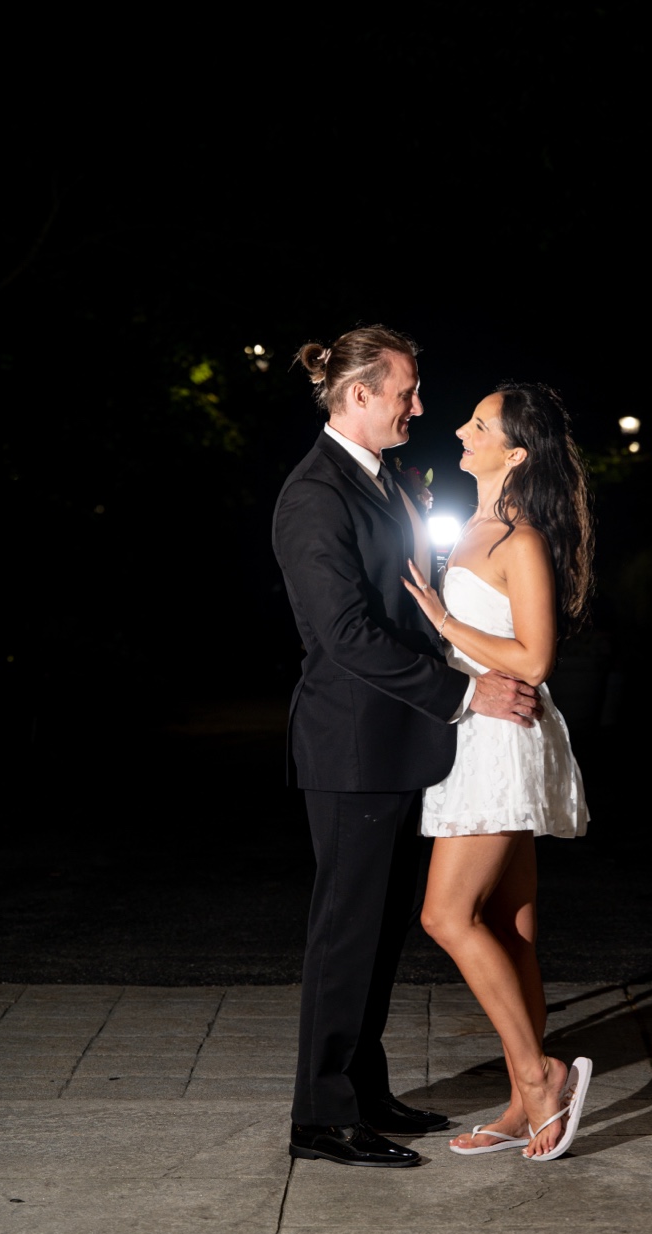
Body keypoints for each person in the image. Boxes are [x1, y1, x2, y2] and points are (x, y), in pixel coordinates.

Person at [273, 326, 541, 1169]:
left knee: (382, 928)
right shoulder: (314, 494)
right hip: (350, 747)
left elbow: (408, 606)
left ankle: (364, 1087)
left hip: (396, 742)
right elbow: (346, 635)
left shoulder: (381, 478)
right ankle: (322, 1118)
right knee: (345, 932)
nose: (418, 408)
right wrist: (467, 690)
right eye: (405, 393)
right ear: (358, 396)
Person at [400, 382, 594, 1161]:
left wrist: (446, 621)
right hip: (472, 732)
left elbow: (537, 659)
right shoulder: (469, 526)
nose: (458, 428)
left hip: (502, 740)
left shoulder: (519, 539)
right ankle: (523, 1103)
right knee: (513, 928)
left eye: (478, 425)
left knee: (445, 916)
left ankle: (542, 1078)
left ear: (514, 453)